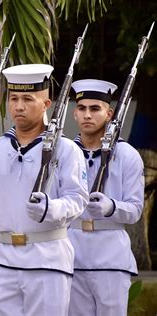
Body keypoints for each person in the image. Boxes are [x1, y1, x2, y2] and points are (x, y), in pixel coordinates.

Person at [0, 64, 89, 315]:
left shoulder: (66, 149)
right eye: (13, 98)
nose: (18, 106)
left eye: (27, 99)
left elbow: (78, 199)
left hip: (47, 261)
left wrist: (51, 208)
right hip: (1, 262)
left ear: (46, 104)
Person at [68, 79, 144, 316]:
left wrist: (111, 207)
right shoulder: (64, 152)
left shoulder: (126, 154)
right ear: (74, 113)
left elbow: (135, 210)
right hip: (73, 255)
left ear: (109, 114)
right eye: (82, 109)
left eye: (95, 109)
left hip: (110, 257)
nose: (87, 115)